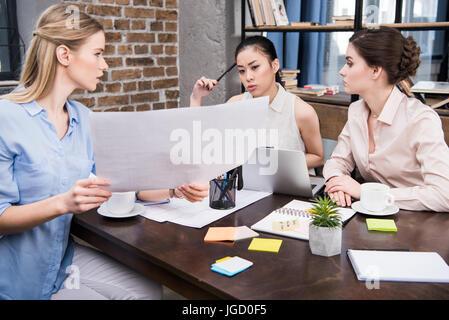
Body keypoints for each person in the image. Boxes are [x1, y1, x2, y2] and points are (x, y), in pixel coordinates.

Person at [0, 3, 207, 300]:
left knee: (147, 290)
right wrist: (63, 203)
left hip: (60, 264)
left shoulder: (84, 118)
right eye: (97, 54)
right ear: (64, 55)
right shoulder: (6, 118)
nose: (105, 64)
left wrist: (174, 189)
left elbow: (122, 183)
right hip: (16, 283)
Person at [323, 26, 449, 212]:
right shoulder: (357, 111)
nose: (342, 71)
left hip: (419, 223)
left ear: (375, 71)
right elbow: (338, 160)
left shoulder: (420, 119)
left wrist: (364, 191)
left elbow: (443, 195)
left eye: (350, 63)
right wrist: (336, 182)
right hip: (374, 215)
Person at [189, 36, 324, 171]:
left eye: (255, 67)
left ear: (274, 65)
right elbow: (205, 147)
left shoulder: (302, 112)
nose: (248, 77)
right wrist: (196, 98)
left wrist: (273, 164)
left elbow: (317, 157)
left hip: (285, 188)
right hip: (244, 188)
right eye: (242, 71)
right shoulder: (234, 105)